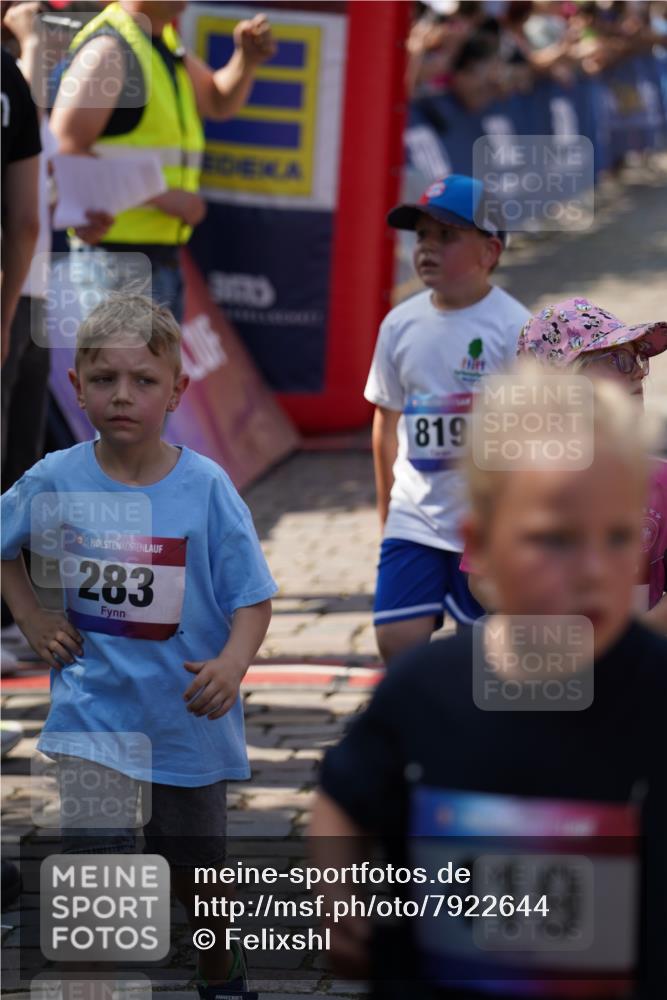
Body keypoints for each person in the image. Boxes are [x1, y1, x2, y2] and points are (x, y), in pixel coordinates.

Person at [311, 366, 667, 999]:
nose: (591, 569)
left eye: (617, 537)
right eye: (553, 540)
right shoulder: (427, 687)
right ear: (483, 546)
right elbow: (342, 795)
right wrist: (337, 899)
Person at [0, 293, 277, 998]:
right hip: (95, 718)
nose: (122, 395)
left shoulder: (207, 487)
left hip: (186, 718)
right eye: (104, 380)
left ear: (177, 389)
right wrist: (30, 616)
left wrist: (232, 663)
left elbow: (254, 596)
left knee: (195, 874)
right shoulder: (56, 478)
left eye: (144, 380)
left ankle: (220, 964)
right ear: (76, 388)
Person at [366, 174, 530, 665]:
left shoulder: (516, 328)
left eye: (447, 235)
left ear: (489, 252)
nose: (428, 248)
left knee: (492, 656)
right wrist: (387, 513)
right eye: (421, 236)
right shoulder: (399, 323)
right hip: (413, 518)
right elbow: (385, 424)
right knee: (395, 641)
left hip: (485, 524)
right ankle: (418, 738)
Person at [49, 0, 276, 322]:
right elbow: (63, 152)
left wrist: (246, 60)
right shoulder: (109, 49)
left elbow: (217, 100)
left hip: (156, 261)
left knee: (150, 373)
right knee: (122, 371)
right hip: (114, 263)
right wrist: (162, 198)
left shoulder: (159, 41)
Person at [465, 298, 667, 632]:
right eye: (615, 357)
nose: (635, 369)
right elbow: (482, 580)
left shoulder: (659, 480)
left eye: (637, 356)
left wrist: (635, 639)